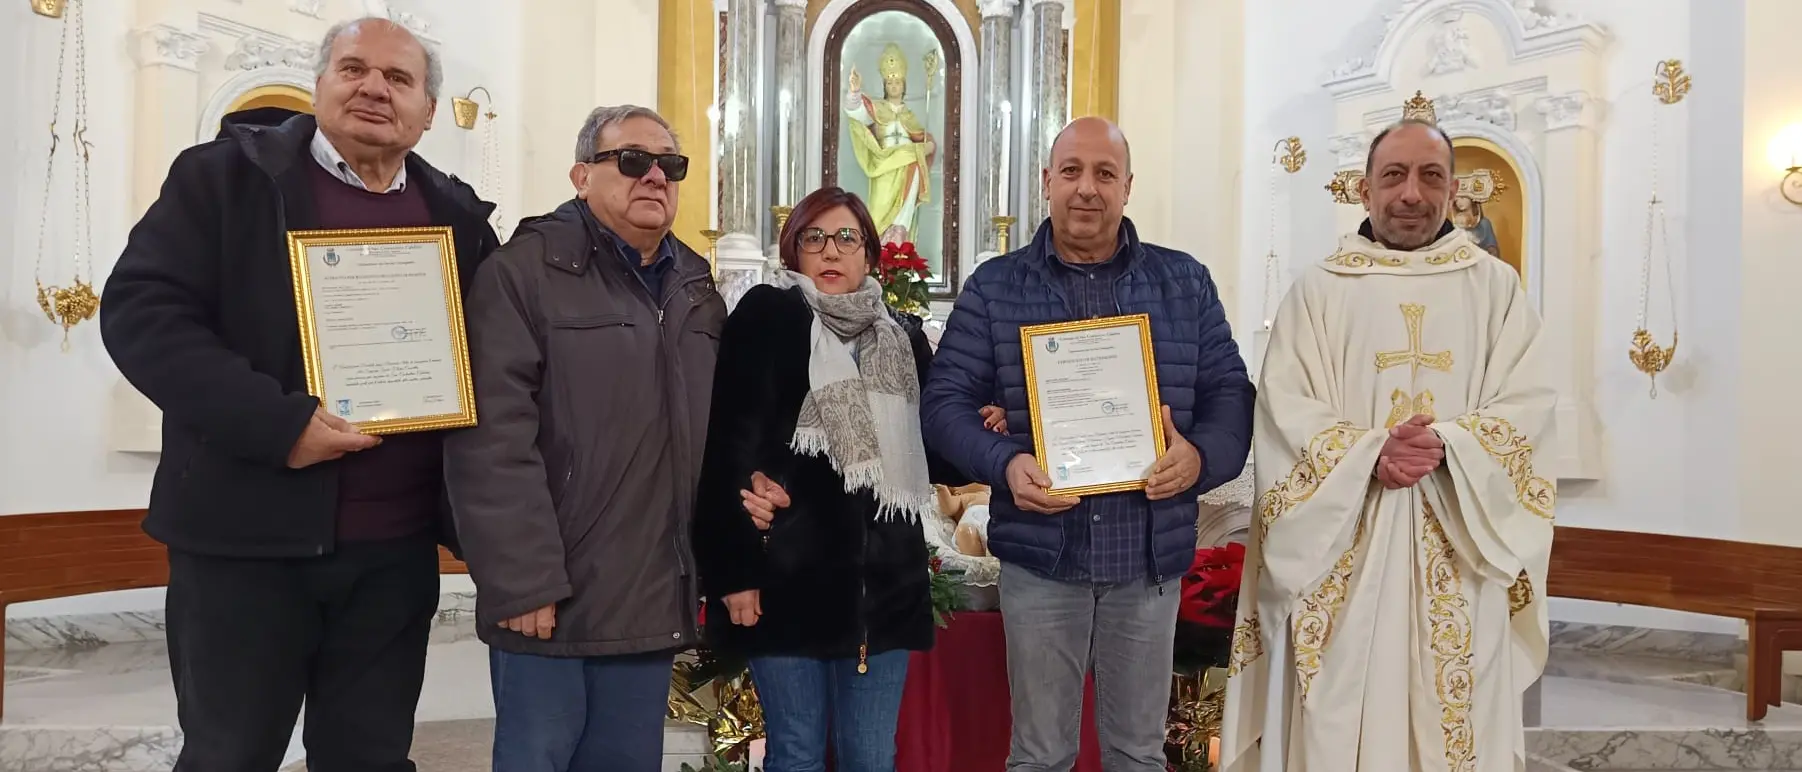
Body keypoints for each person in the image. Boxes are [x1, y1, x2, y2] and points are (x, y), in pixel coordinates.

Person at [99, 17, 498, 771]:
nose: (374, 87)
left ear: (428, 112)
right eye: (353, 69)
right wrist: (278, 425)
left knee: (371, 759)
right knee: (229, 755)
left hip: (394, 554)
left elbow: (494, 359)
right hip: (246, 546)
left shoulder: (459, 217)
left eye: (399, 78)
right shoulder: (223, 179)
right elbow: (142, 314)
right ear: (320, 85)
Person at [1218, 119, 1556, 772]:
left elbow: (1529, 407)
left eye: (1431, 176)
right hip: (1341, 554)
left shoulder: (1495, 289)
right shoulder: (1319, 290)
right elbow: (1285, 407)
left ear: (1454, 190)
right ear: (1365, 189)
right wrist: (1371, 452)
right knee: (1337, 715)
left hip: (1461, 552)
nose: (1411, 193)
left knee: (1450, 714)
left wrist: (1449, 444)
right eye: (1394, 176)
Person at [921, 117, 1256, 771]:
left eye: (1105, 173)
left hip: (1147, 562)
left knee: (1136, 753)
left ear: (1128, 186)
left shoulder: (1183, 282)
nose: (1087, 189)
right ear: (1047, 182)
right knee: (1041, 753)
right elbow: (944, 404)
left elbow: (1230, 397)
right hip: (1044, 560)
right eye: (1071, 171)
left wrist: (1198, 458)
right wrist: (1006, 462)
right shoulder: (996, 287)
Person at [444, 104, 766, 772]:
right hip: (553, 594)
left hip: (648, 589)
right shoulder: (522, 274)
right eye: (632, 161)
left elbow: (724, 430)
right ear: (581, 175)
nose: (654, 177)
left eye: (669, 166)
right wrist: (524, 579)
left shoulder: (695, 285)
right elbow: (492, 439)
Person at [693, 185, 974, 771]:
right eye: (814, 237)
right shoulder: (769, 318)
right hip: (786, 582)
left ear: (870, 254)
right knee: (795, 755)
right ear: (793, 251)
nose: (831, 250)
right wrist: (736, 570)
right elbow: (728, 449)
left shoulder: (902, 337)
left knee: (871, 757)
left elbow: (932, 456)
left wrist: (988, 424)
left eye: (848, 237)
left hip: (884, 591)